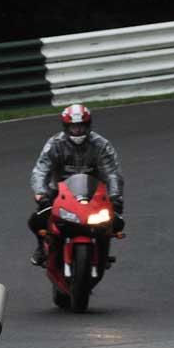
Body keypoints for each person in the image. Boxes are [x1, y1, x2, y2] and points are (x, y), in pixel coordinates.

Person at [28, 103, 125, 266]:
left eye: (81, 126)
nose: (78, 131)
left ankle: (103, 249)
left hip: (94, 193)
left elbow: (112, 172)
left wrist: (115, 195)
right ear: (66, 127)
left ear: (88, 126)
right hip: (60, 192)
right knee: (37, 220)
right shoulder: (55, 143)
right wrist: (40, 192)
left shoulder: (101, 144)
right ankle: (42, 248)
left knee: (116, 221)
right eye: (74, 127)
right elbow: (40, 170)